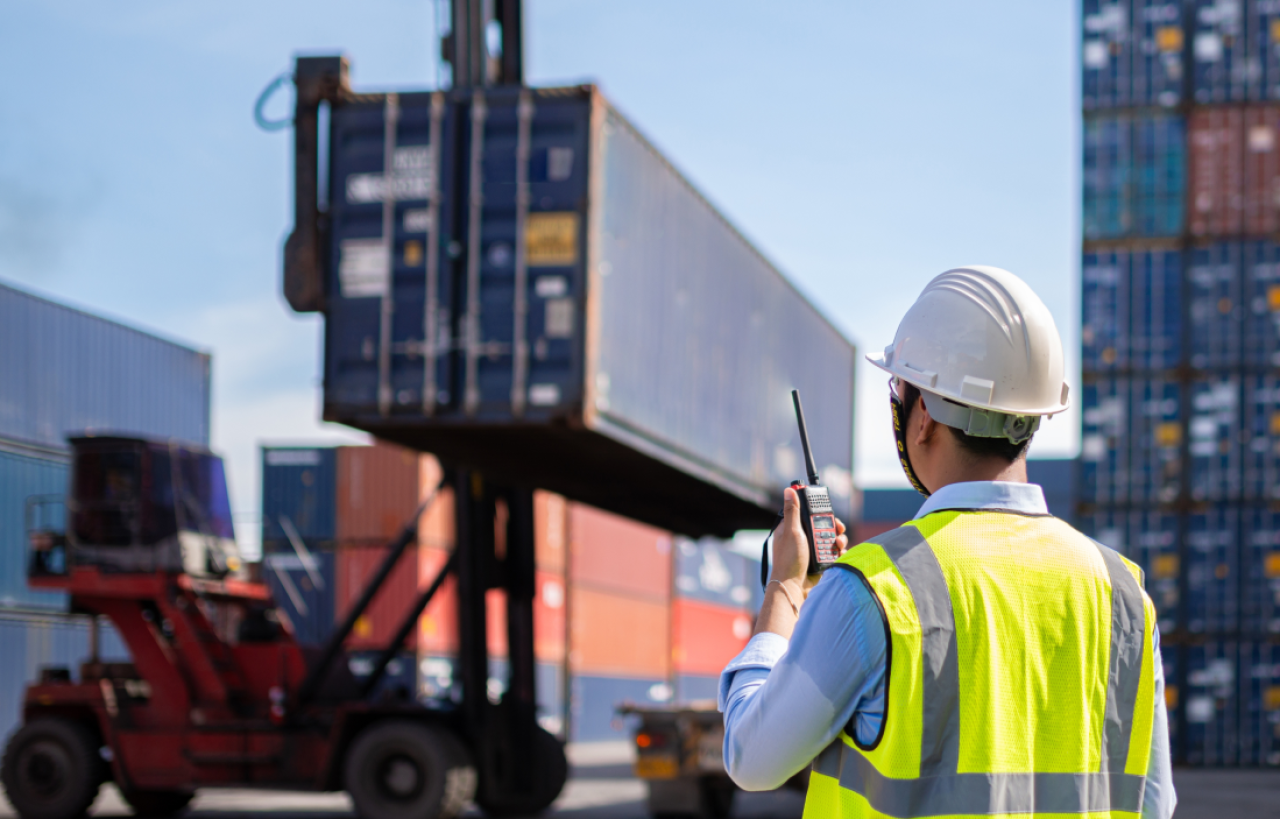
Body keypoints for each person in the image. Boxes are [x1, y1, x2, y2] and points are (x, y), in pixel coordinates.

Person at [719, 266, 1174, 818]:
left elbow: (752, 759)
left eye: (899, 389)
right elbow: (1154, 803)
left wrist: (786, 587)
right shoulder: (1123, 595)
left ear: (924, 416)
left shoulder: (873, 590)